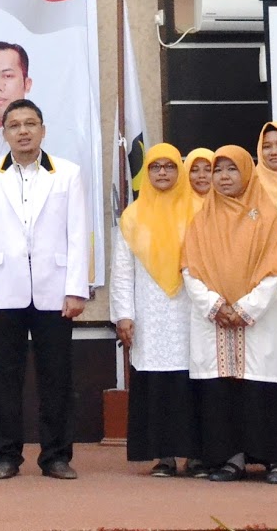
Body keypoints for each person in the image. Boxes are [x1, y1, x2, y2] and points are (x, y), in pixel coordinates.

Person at [0, 99, 89, 481]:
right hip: (3, 289)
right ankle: (4, 455)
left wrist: (76, 289)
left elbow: (77, 233)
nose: (23, 131)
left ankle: (56, 456)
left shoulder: (67, 173)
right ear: (3, 133)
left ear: (43, 130)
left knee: (57, 377)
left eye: (30, 124)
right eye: (15, 125)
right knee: (3, 377)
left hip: (55, 290)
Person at [181, 145, 277, 484]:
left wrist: (245, 308)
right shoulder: (201, 219)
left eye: (232, 169)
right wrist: (216, 306)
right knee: (224, 392)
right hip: (215, 320)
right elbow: (189, 270)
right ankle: (232, 459)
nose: (224, 177)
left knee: (264, 388)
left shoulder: (268, 216)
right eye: (218, 170)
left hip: (260, 320)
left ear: (247, 172)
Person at [110, 144, 202, 478]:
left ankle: (197, 454)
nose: (162, 172)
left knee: (192, 381)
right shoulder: (133, 216)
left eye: (169, 166)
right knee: (157, 382)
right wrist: (124, 314)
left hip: (192, 309)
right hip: (149, 311)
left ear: (180, 170)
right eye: (155, 167)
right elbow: (122, 271)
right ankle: (164, 456)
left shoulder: (199, 209)